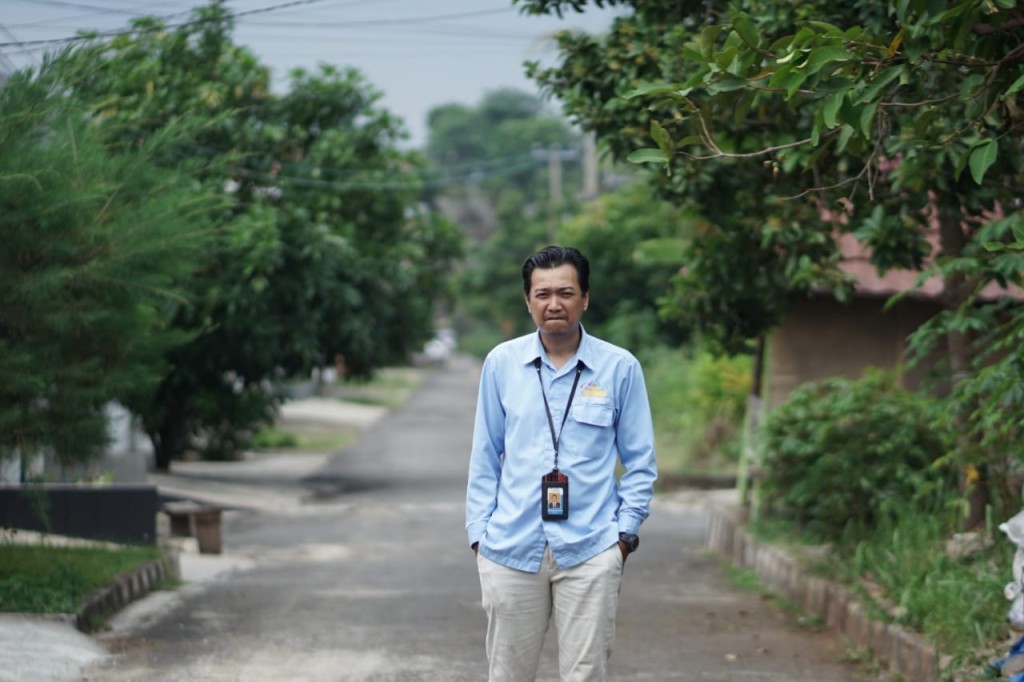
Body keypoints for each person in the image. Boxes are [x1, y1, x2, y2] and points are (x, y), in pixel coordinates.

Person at [465, 245, 658, 682]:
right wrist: (480, 536)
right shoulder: (501, 364)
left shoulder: (619, 368)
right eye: (543, 294)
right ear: (528, 301)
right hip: (510, 549)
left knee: (586, 674)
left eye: (566, 293)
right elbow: (484, 456)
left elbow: (641, 462)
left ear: (585, 298)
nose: (554, 303)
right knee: (508, 675)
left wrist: (622, 538)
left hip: (592, 549)